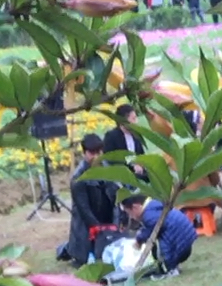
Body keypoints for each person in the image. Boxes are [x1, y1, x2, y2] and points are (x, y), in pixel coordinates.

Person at [66, 132, 116, 266]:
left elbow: (115, 195)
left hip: (106, 217)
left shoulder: (106, 167)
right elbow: (84, 210)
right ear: (84, 153)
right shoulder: (78, 178)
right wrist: (100, 231)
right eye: (92, 153)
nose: (96, 156)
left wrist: (115, 225)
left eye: (99, 152)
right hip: (87, 228)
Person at [123, 193, 196, 274]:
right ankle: (173, 267)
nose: (131, 217)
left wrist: (139, 239)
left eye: (129, 213)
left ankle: (172, 270)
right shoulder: (154, 205)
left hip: (177, 237)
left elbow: (153, 228)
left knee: (164, 252)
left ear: (135, 207)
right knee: (164, 244)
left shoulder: (148, 215)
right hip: (185, 232)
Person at [103, 104, 147, 175]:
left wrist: (142, 165)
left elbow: (141, 155)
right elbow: (110, 159)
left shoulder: (136, 136)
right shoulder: (111, 136)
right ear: (123, 121)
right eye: (133, 119)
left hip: (139, 175)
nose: (136, 122)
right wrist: (132, 167)